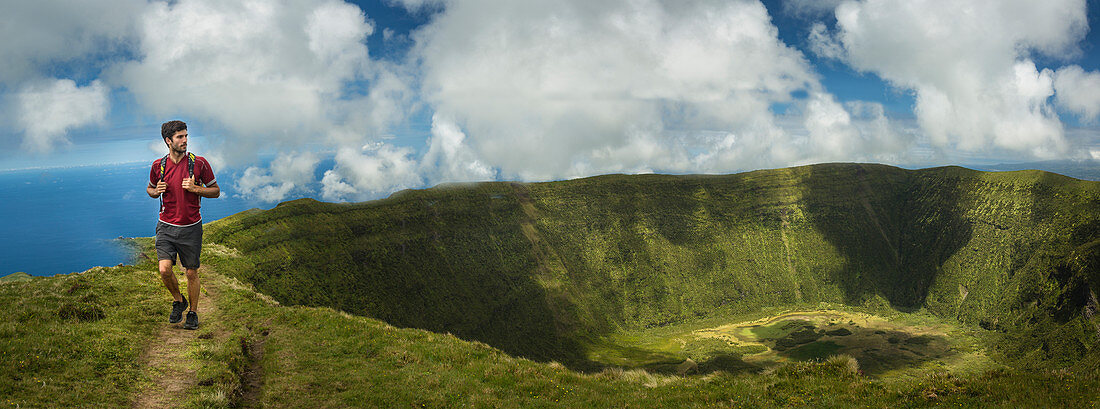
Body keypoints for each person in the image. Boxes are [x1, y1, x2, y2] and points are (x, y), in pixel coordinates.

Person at [146, 120, 219, 330]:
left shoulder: (200, 163)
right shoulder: (157, 166)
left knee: (191, 272)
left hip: (191, 227)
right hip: (166, 227)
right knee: (164, 270)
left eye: (186, 136)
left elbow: (216, 191)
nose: (185, 140)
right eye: (180, 137)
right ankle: (179, 300)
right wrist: (156, 191)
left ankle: (193, 313)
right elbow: (150, 190)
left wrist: (197, 189)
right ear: (168, 141)